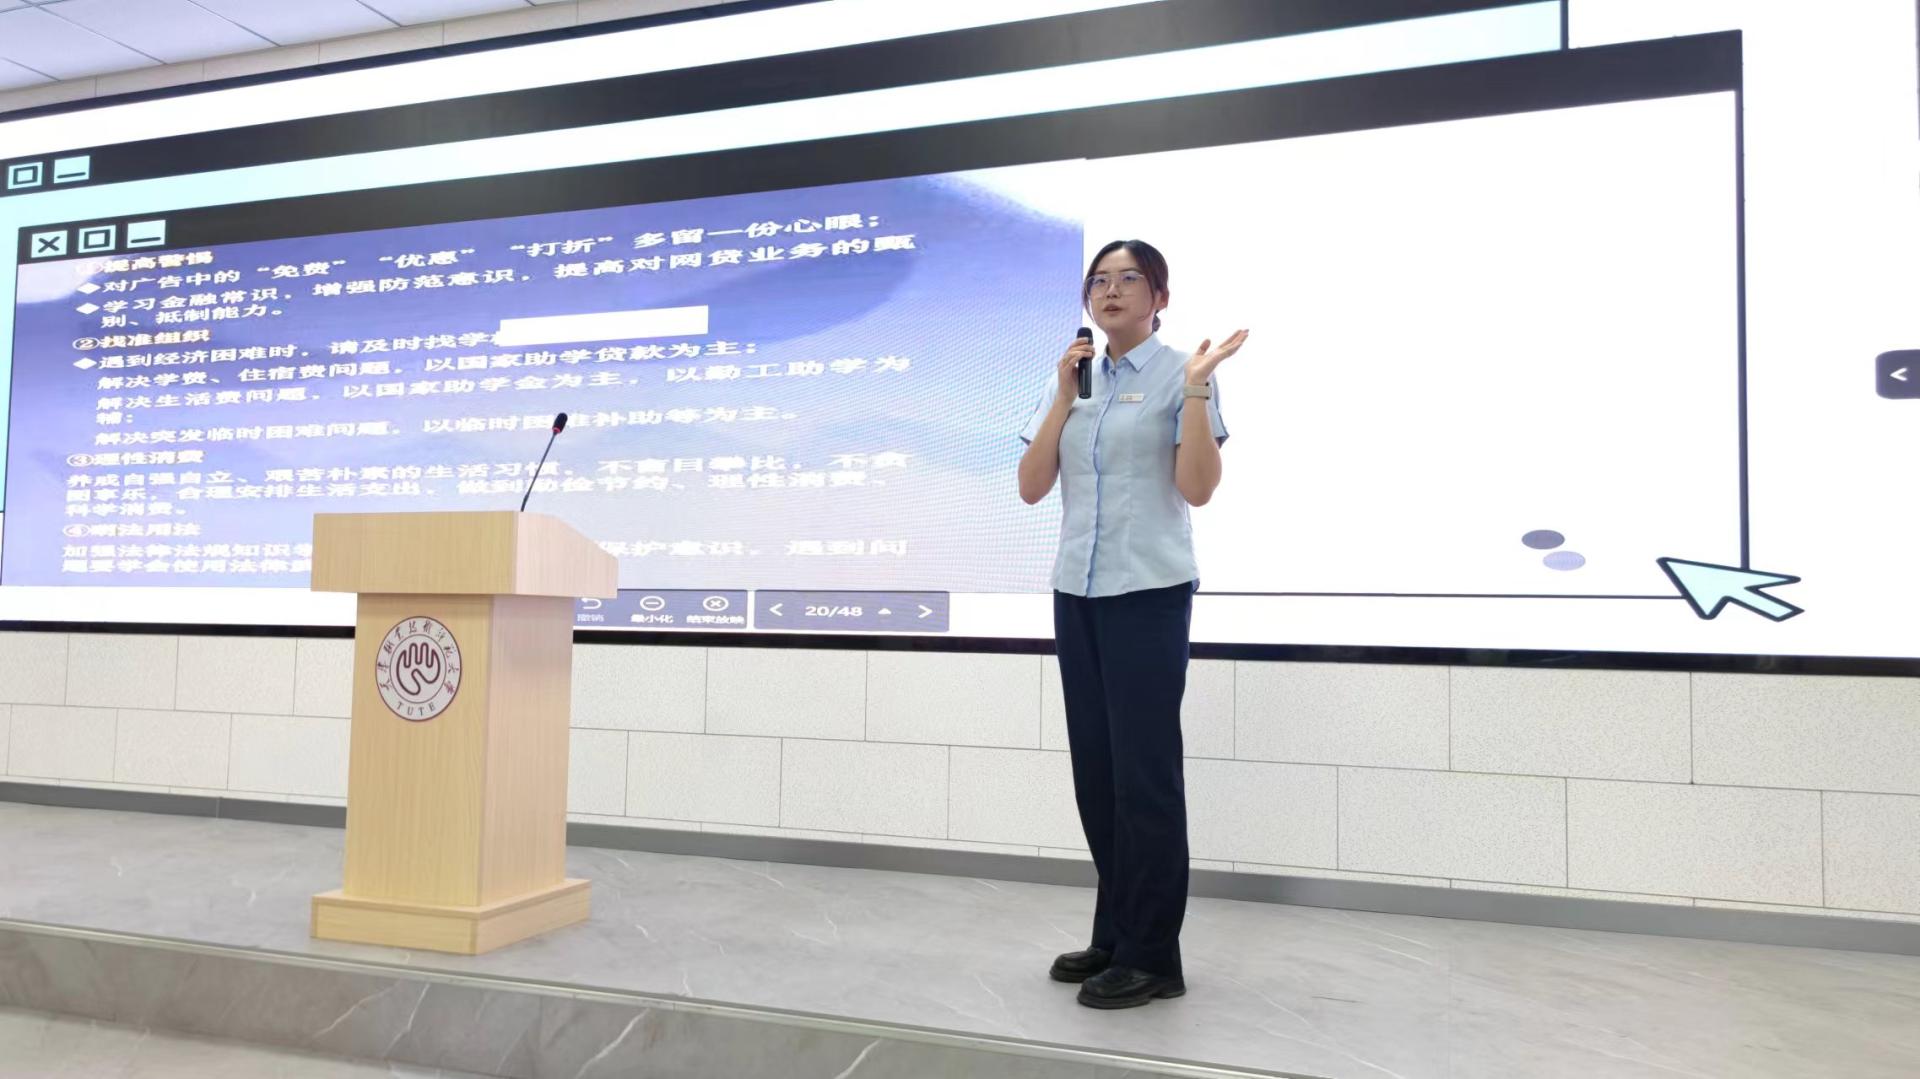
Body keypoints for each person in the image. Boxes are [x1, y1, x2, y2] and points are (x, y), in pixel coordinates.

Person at [1017, 238, 1246, 1009]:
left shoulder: (1184, 372)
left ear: (1159, 297)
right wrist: (1061, 395)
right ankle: (1116, 931)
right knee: (1098, 774)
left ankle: (1153, 955)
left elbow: (1197, 487)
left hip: (1148, 593)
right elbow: (1030, 485)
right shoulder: (1074, 377)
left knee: (1144, 776)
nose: (1110, 291)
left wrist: (1196, 392)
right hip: (1076, 593)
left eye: (1128, 279)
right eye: (1099, 280)